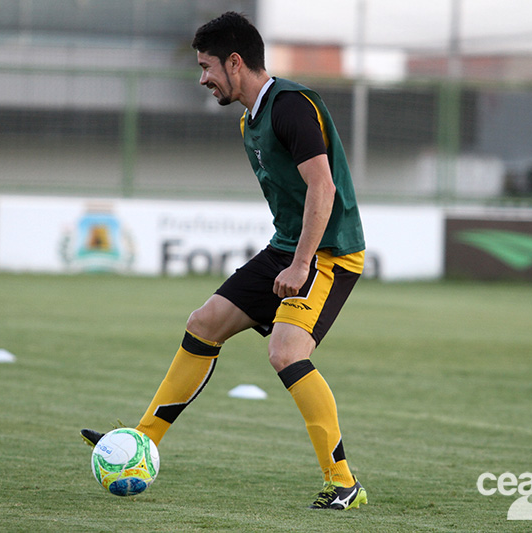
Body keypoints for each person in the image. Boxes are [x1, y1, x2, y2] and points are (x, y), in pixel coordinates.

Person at [82, 11, 367, 510]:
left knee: (286, 353)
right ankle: (142, 440)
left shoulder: (292, 106)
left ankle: (343, 481)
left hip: (328, 252)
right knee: (204, 322)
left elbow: (324, 189)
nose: (202, 78)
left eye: (207, 66)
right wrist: (289, 255)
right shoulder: (249, 120)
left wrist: (301, 266)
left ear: (236, 63)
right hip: (287, 245)